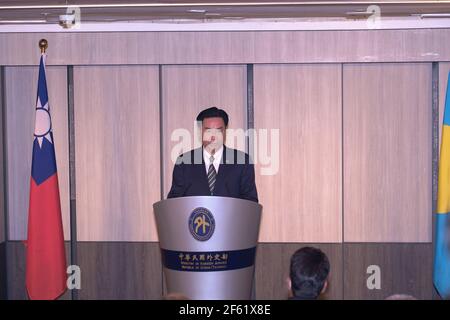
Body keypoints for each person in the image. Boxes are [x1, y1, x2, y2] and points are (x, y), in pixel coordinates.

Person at [167, 106, 258, 202]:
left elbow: (251, 203)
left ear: (225, 131)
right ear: (200, 131)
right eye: (208, 131)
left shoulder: (242, 162)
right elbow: (173, 203)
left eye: (218, 130)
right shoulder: (184, 162)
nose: (213, 137)